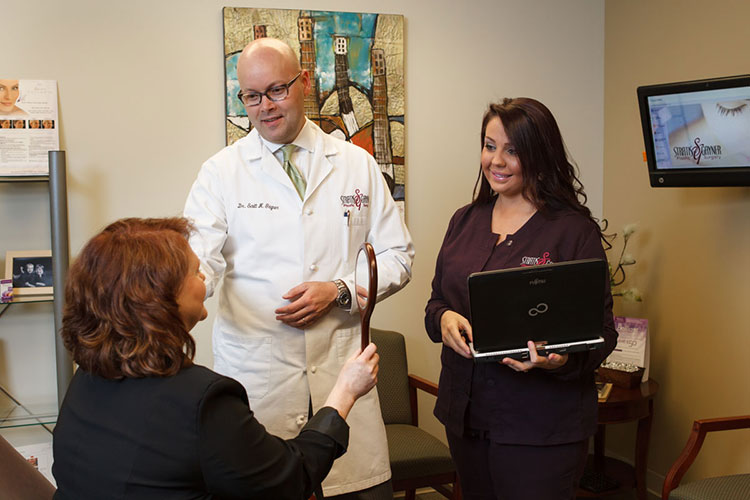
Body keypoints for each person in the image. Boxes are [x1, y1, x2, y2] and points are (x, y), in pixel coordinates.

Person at [183, 37, 413, 499]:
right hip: (259, 384)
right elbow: (197, 264)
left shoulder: (356, 165)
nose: (264, 106)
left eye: (276, 90)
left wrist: (340, 290)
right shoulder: (220, 173)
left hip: (339, 371)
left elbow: (398, 256)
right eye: (251, 96)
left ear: (304, 83)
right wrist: (165, 311)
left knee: (355, 489)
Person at [52, 217, 381, 499]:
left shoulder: (88, 377)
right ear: (161, 298)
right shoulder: (202, 400)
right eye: (196, 273)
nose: (205, 282)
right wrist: (344, 393)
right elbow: (292, 478)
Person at [424, 98, 618, 500]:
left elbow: (602, 333)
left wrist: (560, 358)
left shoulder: (571, 232)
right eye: (490, 145)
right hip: (467, 418)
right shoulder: (464, 220)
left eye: (512, 150)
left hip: (540, 427)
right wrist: (443, 320)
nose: (497, 160)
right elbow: (436, 302)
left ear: (539, 154)